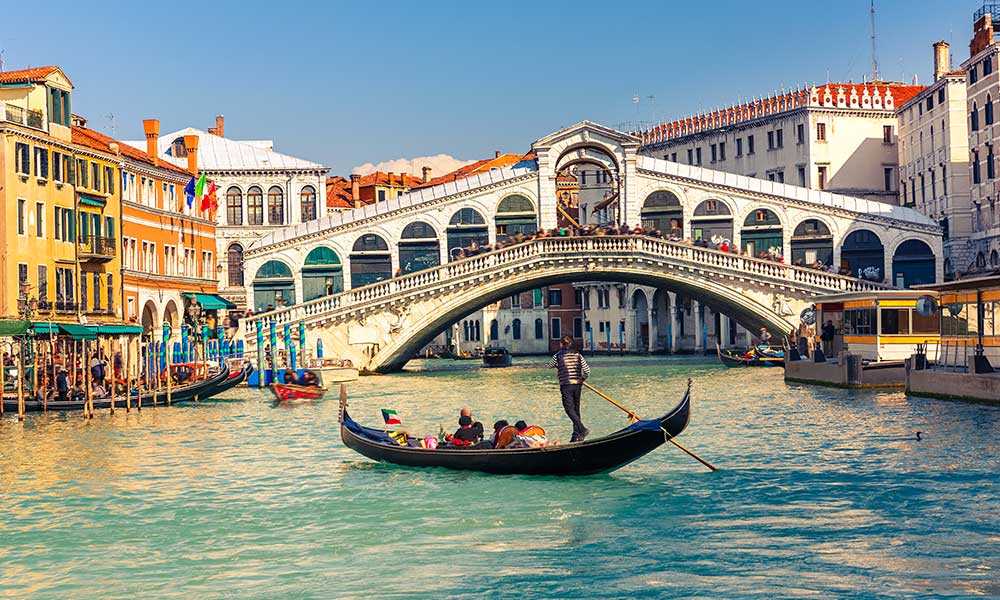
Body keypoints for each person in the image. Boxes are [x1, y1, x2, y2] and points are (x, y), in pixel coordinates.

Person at [547, 335, 591, 442]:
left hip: (566, 385)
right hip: (577, 384)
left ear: (561, 344)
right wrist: (582, 379)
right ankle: (577, 436)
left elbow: (549, 365)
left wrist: (557, 365)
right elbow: (587, 370)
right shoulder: (578, 355)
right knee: (576, 409)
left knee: (569, 409)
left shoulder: (558, 355)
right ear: (570, 344)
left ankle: (582, 429)